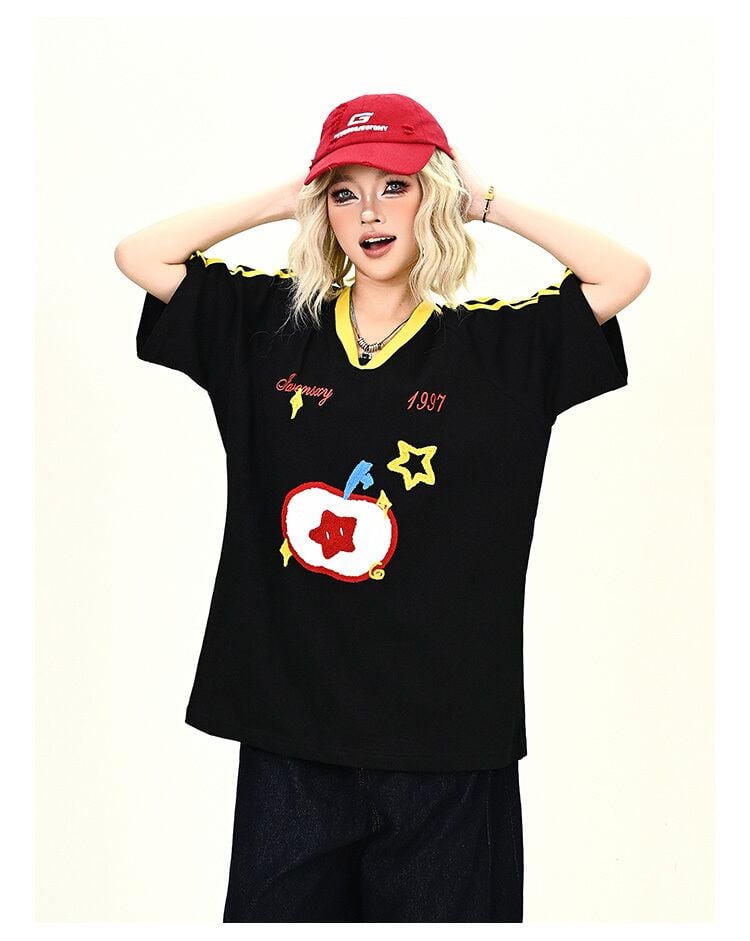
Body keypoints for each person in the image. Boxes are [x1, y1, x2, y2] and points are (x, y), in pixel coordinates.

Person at [115, 93, 650, 923]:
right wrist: (288, 195)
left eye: (394, 186)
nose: (369, 212)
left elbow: (623, 275)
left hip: (449, 751)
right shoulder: (269, 329)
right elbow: (141, 254)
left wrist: (486, 202)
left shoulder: (494, 350)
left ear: (432, 199)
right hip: (292, 745)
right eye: (345, 192)